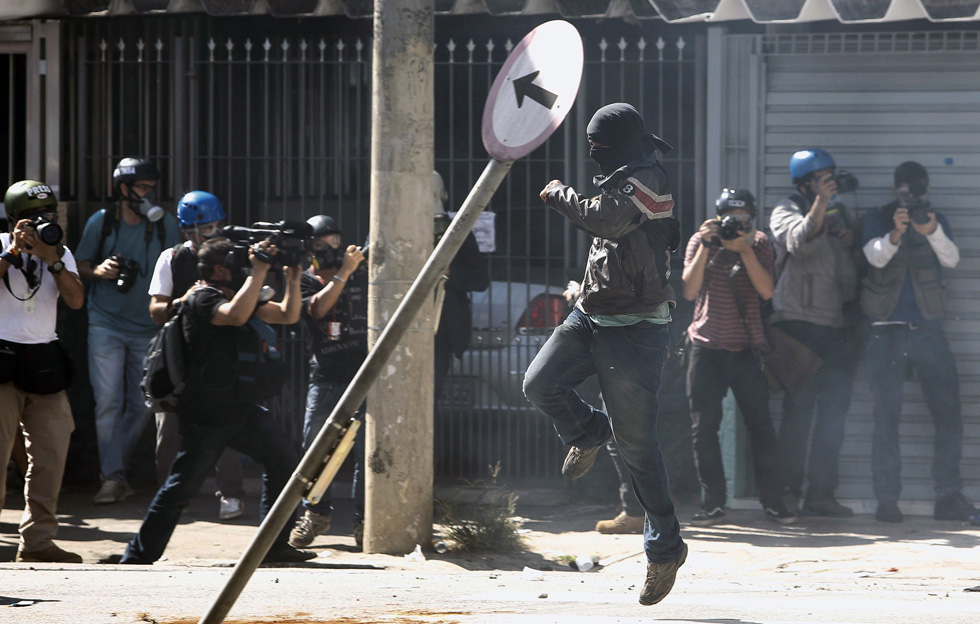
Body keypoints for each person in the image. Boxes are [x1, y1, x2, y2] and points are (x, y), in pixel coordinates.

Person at [523, 102, 687, 606]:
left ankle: (665, 548)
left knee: (638, 446)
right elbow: (610, 248)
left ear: (623, 142)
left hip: (636, 330)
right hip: (591, 315)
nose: (594, 152)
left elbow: (608, 222)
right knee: (539, 384)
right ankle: (589, 430)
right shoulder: (620, 175)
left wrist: (558, 193)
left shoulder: (649, 179)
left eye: (601, 144)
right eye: (591, 145)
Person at [121, 238, 314, 564]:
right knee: (181, 486)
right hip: (206, 412)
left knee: (283, 460)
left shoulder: (236, 294)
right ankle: (137, 556)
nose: (243, 268)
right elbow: (235, 316)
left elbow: (286, 314)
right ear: (220, 269)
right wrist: (259, 272)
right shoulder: (202, 296)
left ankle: (273, 545)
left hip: (240, 406)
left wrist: (293, 279)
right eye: (236, 263)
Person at [860, 161, 978, 523]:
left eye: (917, 192)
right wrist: (895, 233)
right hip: (887, 331)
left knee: (948, 415)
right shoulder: (877, 218)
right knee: (885, 419)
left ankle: (947, 496)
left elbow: (951, 259)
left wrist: (931, 230)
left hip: (928, 329)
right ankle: (887, 500)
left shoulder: (935, 219)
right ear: (895, 191)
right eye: (906, 192)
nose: (911, 199)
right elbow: (874, 257)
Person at [681, 189, 796, 526]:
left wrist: (744, 250)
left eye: (744, 219)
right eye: (731, 219)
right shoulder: (701, 240)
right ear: (718, 218)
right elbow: (688, 291)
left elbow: (767, 290)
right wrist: (707, 246)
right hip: (706, 348)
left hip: (747, 350)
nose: (737, 225)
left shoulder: (759, 243)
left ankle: (773, 502)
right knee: (704, 428)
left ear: (752, 220)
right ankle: (712, 503)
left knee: (761, 427)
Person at [75, 157, 179, 504]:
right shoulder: (102, 222)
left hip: (148, 328)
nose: (148, 194)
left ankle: (116, 469)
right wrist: (99, 271)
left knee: (142, 403)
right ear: (123, 189)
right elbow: (79, 265)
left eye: (152, 188)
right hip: (105, 323)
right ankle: (113, 478)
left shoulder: (164, 225)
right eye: (142, 188)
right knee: (108, 402)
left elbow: (179, 267)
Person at [769, 148, 860, 518]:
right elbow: (797, 241)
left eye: (831, 178)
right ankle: (787, 493)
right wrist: (821, 203)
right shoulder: (786, 209)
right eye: (823, 178)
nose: (830, 184)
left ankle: (821, 495)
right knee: (798, 415)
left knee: (833, 417)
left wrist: (849, 239)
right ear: (806, 182)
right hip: (799, 325)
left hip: (838, 326)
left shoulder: (840, 211)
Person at [0, 180, 85, 562]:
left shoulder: (59, 252)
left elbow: (76, 300)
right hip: (2, 359)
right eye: (35, 216)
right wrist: (13, 252)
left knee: (51, 453)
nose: (44, 221)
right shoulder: (2, 245)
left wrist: (53, 259)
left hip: (43, 362)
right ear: (16, 219)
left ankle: (37, 542)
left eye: (49, 214)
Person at [147, 190, 245, 521]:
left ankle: (231, 492)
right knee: (168, 431)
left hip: (220, 353)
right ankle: (172, 496)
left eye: (209, 228)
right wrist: (182, 300)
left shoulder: (231, 255)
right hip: (179, 354)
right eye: (194, 230)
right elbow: (156, 310)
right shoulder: (172, 258)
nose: (202, 236)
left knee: (225, 423)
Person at [289, 215, 368, 549]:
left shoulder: (360, 273)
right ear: (310, 250)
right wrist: (344, 273)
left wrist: (358, 265)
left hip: (364, 375)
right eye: (322, 244)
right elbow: (319, 310)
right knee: (316, 450)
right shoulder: (306, 281)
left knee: (366, 452)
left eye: (335, 242)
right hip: (326, 376)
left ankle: (365, 521)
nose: (331, 249)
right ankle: (316, 514)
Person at [561, 279, 644, 535]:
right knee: (626, 436)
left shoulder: (626, 255)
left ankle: (635, 511)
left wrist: (581, 295)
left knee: (622, 436)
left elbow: (613, 293)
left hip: (626, 347)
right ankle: (639, 509)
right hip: (624, 347)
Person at [432, 170, 490, 411]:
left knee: (430, 393)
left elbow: (480, 279)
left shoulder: (458, 231)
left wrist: (449, 273)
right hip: (405, 324)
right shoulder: (394, 228)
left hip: (440, 330)